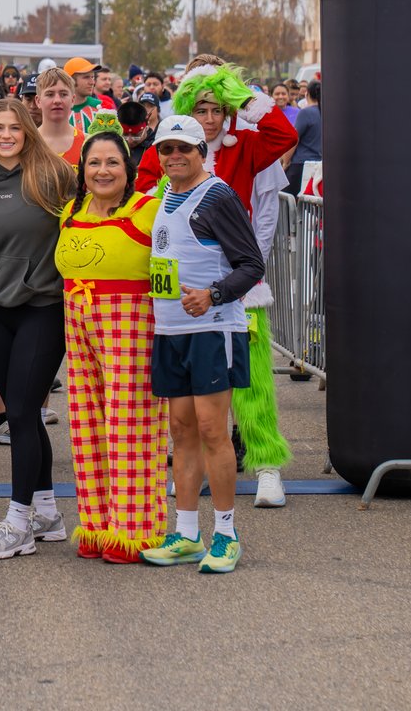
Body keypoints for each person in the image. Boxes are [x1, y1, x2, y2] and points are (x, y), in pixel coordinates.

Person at [138, 115, 264, 573]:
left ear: (200, 152)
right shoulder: (164, 195)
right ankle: (187, 533)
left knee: (213, 430)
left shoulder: (217, 195)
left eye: (184, 149)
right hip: (170, 331)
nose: (174, 156)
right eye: (166, 149)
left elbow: (252, 264)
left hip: (212, 329)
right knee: (182, 431)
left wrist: (213, 294)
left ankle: (226, 534)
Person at [173, 62, 298, 508]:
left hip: (240, 283)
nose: (210, 119)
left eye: (217, 109)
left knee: (253, 379)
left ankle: (267, 466)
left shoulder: (243, 146)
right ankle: (203, 468)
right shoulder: (172, 150)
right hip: (188, 288)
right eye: (201, 109)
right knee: (194, 387)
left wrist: (242, 97)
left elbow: (283, 136)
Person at [0, 99, 75, 559]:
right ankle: (48, 513)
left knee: (21, 414)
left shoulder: (54, 176)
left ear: (28, 131)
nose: (6, 135)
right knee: (23, 414)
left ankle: (18, 524)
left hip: (43, 308)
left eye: (15, 127)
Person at [54, 128, 164, 562]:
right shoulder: (71, 210)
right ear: (82, 170)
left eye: (112, 162)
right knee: (86, 424)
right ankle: (97, 524)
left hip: (131, 323)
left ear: (128, 169)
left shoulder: (148, 210)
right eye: (94, 163)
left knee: (130, 423)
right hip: (78, 321)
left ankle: (134, 529)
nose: (102, 171)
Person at [35, 67, 85, 164]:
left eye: (63, 94)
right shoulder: (27, 143)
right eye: (50, 94)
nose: (57, 100)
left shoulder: (87, 143)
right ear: (38, 101)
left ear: (73, 100)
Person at [286, 80, 321, 196]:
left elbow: (294, 138)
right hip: (319, 164)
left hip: (301, 164)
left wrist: (285, 162)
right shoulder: (327, 112)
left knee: (287, 198)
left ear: (307, 94)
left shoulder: (305, 112)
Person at [64, 58, 103, 129]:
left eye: (92, 77)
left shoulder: (100, 107)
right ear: (70, 81)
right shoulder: (59, 110)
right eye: (86, 77)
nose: (92, 82)